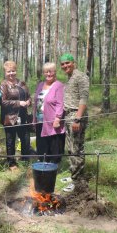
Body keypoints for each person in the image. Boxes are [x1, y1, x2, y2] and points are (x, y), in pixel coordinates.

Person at [59, 53, 90, 193]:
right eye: (63, 64)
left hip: (76, 116)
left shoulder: (81, 76)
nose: (65, 66)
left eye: (67, 63)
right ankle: (74, 175)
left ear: (74, 63)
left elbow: (84, 99)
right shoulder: (70, 78)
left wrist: (77, 118)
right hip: (69, 115)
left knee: (76, 148)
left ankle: (78, 182)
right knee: (71, 148)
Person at [0, 61, 33, 170]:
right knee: (10, 140)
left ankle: (25, 160)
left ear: (16, 71)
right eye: (9, 71)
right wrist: (19, 103)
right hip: (10, 117)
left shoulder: (21, 83)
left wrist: (28, 101)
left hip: (23, 116)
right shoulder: (3, 85)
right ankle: (11, 163)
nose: (11, 73)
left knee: (25, 138)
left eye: (13, 71)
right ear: (5, 72)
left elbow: (28, 96)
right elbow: (3, 102)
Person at [32, 62, 65, 164]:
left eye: (51, 71)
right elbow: (36, 102)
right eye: (46, 72)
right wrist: (34, 119)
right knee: (41, 144)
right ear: (43, 73)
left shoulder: (58, 86)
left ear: (55, 72)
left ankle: (54, 166)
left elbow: (60, 103)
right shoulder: (41, 85)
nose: (48, 74)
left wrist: (58, 118)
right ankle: (43, 162)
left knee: (53, 144)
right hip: (40, 120)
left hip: (52, 121)